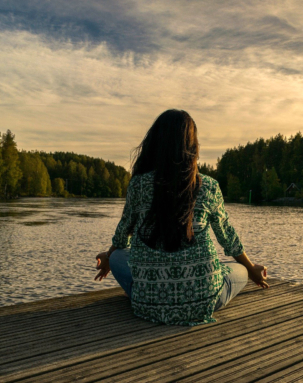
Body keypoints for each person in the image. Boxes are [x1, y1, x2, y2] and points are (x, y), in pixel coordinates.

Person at [94, 109, 268, 326]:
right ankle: (220, 280)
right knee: (239, 269)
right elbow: (228, 238)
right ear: (192, 146)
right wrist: (252, 270)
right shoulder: (209, 186)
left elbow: (122, 235)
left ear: (155, 143)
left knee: (120, 255)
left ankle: (145, 291)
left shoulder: (138, 184)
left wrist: (109, 257)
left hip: (147, 304)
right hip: (204, 301)